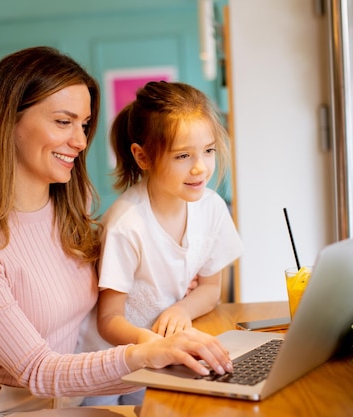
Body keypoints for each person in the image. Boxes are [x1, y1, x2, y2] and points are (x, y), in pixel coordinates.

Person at [0, 46, 233, 417]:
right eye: (63, 122)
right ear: (7, 122)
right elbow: (36, 369)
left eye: (83, 125)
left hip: (64, 400)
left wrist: (169, 281)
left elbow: (115, 288)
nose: (81, 142)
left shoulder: (71, 208)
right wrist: (147, 356)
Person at [78, 81, 243, 406]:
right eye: (183, 155)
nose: (200, 167)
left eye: (208, 150)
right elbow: (109, 319)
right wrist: (151, 346)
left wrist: (182, 309)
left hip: (163, 353)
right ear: (142, 156)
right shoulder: (126, 225)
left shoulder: (211, 208)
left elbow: (211, 288)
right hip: (109, 361)